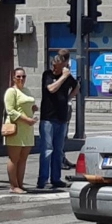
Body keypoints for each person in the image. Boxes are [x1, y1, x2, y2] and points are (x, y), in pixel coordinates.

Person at [38, 55, 76, 190]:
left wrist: (68, 97)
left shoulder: (67, 77)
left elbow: (76, 87)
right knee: (47, 150)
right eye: (52, 65)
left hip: (61, 118)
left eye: (56, 66)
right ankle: (43, 179)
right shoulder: (47, 75)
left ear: (62, 66)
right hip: (48, 118)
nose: (54, 68)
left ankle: (56, 178)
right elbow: (51, 89)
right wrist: (63, 77)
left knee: (58, 151)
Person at [4, 68, 37, 194]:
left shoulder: (26, 90)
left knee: (23, 158)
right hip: (16, 128)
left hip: (27, 129)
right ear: (13, 78)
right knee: (14, 158)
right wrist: (26, 120)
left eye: (23, 76)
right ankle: (13, 185)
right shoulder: (11, 92)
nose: (21, 79)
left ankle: (20, 184)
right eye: (18, 77)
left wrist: (33, 108)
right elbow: (10, 111)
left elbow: (28, 105)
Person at [56, 49, 77, 171]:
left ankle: (62, 158)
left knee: (62, 134)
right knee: (61, 135)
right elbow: (75, 87)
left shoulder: (58, 70)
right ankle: (60, 159)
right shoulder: (63, 71)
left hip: (63, 105)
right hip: (62, 106)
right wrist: (68, 98)